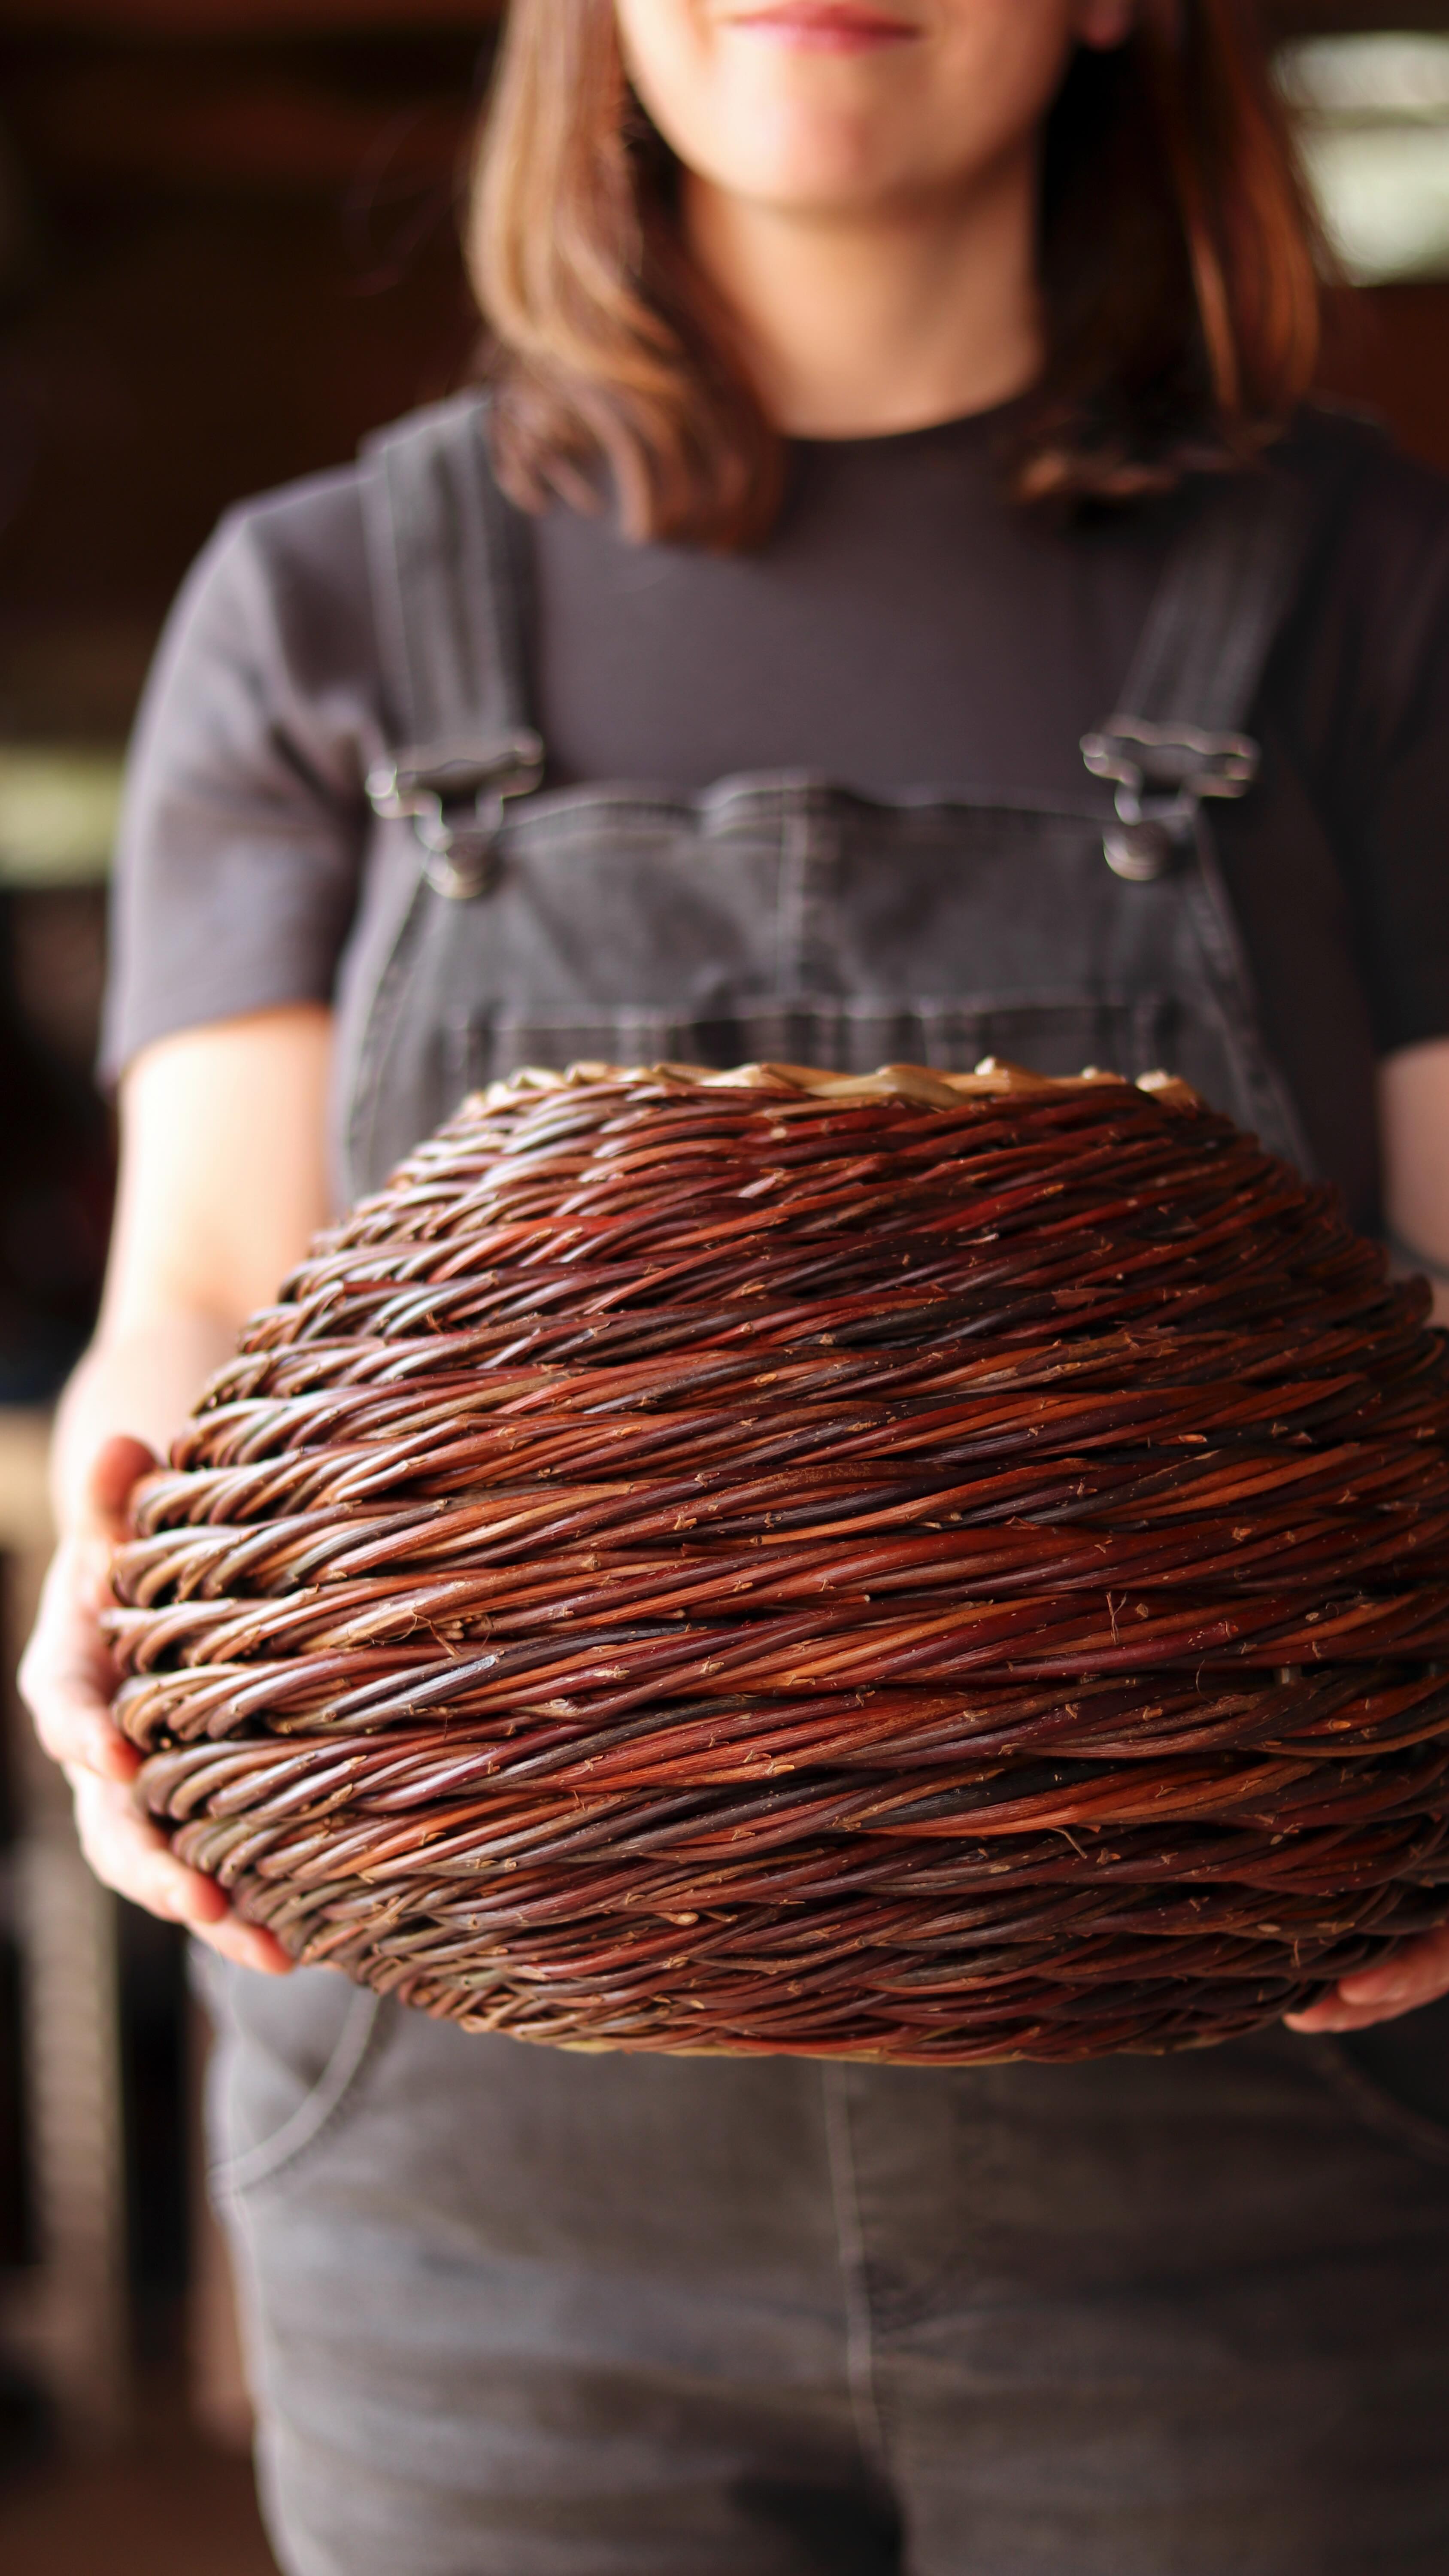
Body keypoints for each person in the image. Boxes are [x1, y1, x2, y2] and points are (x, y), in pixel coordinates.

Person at [21, 2, 1449, 2568]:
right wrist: (113, 1601)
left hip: (1247, 2182)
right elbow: (209, 1314)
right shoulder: (321, 603)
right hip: (471, 2203)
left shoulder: (1374, 581)